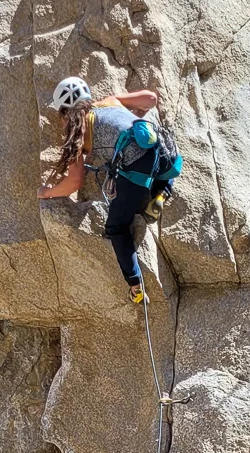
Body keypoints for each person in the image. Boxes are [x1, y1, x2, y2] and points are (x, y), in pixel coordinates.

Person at [38, 75, 166, 304]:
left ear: (65, 112)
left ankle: (136, 289)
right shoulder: (109, 102)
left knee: (116, 228)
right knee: (158, 163)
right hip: (161, 151)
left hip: (137, 168)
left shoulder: (76, 132)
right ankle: (161, 193)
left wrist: (46, 192)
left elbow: (74, 182)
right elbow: (150, 98)